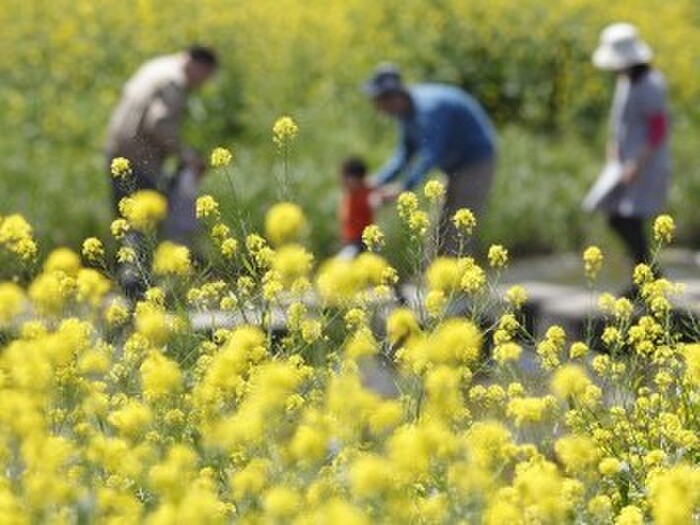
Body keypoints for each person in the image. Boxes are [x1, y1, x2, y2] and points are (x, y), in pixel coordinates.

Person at [105, 45, 219, 296]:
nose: (203, 83)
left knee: (127, 222)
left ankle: (132, 288)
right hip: (138, 160)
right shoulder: (174, 81)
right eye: (206, 76)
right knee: (142, 224)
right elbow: (159, 122)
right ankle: (135, 287)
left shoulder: (156, 66)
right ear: (199, 66)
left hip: (116, 152)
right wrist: (186, 156)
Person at [365, 63, 496, 257]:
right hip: (452, 164)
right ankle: (433, 284)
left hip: (475, 161)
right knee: (437, 231)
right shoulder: (405, 112)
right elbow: (404, 154)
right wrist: (376, 181)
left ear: (393, 97)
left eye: (378, 102)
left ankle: (458, 284)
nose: (378, 109)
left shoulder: (429, 109)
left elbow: (429, 154)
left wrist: (402, 188)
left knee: (457, 234)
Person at [590, 23, 671, 289]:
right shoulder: (627, 80)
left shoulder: (650, 84)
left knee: (626, 218)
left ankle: (646, 278)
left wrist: (637, 163)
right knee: (618, 216)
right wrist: (614, 146)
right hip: (624, 164)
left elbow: (658, 129)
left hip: (645, 164)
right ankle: (647, 274)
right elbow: (622, 122)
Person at [337, 156, 373, 260]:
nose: (341, 180)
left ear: (356, 180)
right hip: (350, 245)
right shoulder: (348, 194)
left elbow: (380, 196)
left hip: (359, 245)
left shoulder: (366, 195)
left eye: (345, 176)